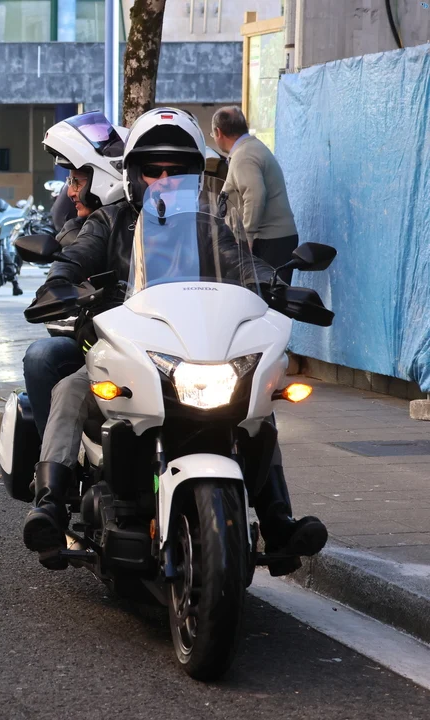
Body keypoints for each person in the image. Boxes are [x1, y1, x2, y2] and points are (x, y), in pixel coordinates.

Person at [22, 107, 328, 577]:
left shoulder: (210, 227)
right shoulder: (110, 221)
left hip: (198, 350)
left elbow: (242, 263)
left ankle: (278, 522)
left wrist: (275, 286)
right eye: (153, 169)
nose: (164, 180)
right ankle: (50, 505)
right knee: (69, 388)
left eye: (177, 170)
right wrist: (59, 281)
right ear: (134, 174)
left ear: (193, 176)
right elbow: (77, 256)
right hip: (127, 353)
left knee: (259, 400)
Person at [22, 112, 127, 437]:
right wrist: (57, 283)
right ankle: (49, 449)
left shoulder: (162, 222)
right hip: (94, 340)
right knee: (41, 355)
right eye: (70, 182)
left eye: (76, 182)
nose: (70, 192)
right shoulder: (83, 229)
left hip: (152, 342)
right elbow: (75, 255)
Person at [212, 106, 299, 283]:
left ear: (218, 132)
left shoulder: (243, 155)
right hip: (274, 239)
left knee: (266, 295)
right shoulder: (250, 148)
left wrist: (247, 238)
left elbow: (255, 195)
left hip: (269, 240)